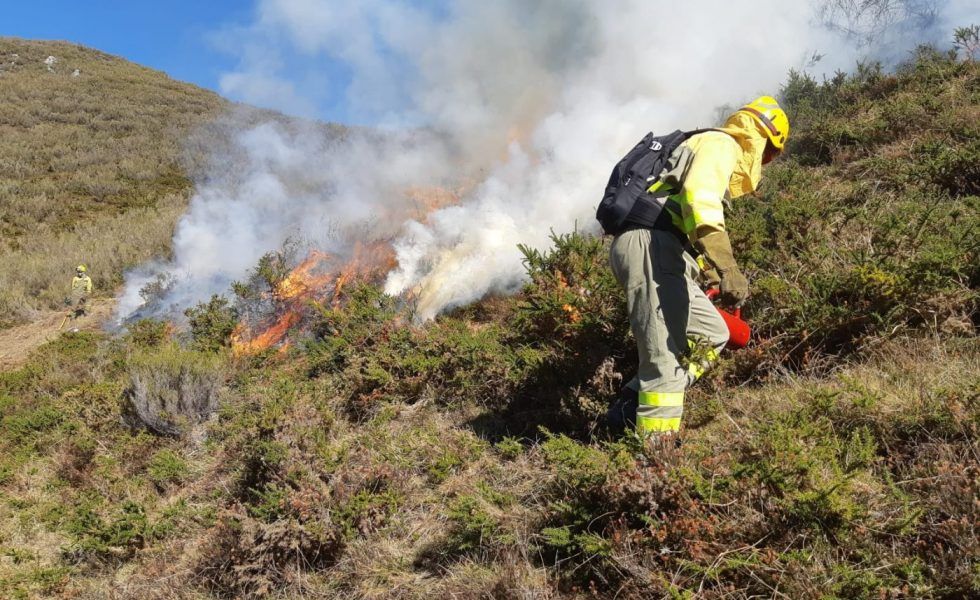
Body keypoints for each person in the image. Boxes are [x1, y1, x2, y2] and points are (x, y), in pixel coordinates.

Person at [607, 96, 790, 437]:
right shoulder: (724, 144)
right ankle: (656, 453)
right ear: (761, 140)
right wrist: (728, 268)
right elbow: (700, 201)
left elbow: (684, 215)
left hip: (663, 248)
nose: (765, 163)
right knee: (665, 358)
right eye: (768, 155)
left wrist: (708, 271)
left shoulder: (708, 144)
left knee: (712, 333)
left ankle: (629, 407)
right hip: (652, 245)